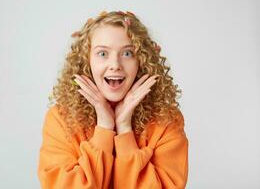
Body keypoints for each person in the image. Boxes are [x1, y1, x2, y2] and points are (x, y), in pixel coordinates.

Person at [37, 10, 188, 189]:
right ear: (87, 61)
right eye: (102, 54)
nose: (115, 65)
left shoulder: (167, 120)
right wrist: (104, 127)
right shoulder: (61, 118)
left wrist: (124, 129)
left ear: (142, 60)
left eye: (127, 53)